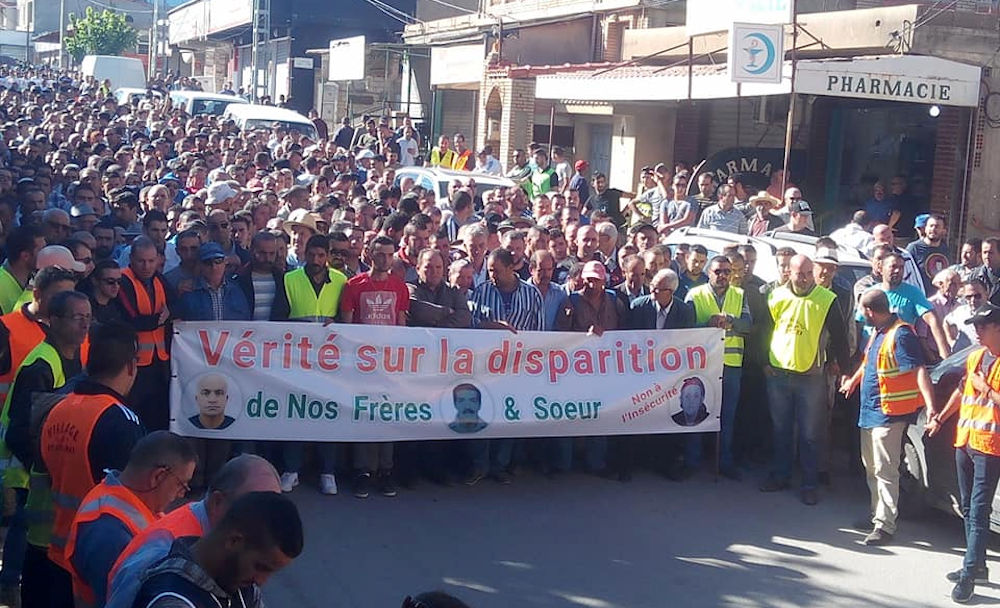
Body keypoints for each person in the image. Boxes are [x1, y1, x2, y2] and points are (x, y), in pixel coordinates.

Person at [41, 321, 145, 593]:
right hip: (97, 554)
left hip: (57, 544)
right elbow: (133, 493)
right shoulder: (120, 419)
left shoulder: (60, 408)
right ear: (131, 366)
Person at [106, 455, 281, 608]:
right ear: (217, 502)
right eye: (253, 514)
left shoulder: (230, 553)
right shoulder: (160, 557)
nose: (267, 528)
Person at [9, 290, 90, 608]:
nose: (84, 325)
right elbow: (18, 431)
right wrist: (51, 464)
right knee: (31, 551)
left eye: (88, 317)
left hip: (53, 485)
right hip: (33, 479)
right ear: (53, 321)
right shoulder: (40, 365)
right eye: (76, 317)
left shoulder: (73, 355)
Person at [839, 289, 935, 547]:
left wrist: (931, 407)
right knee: (872, 467)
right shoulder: (879, 332)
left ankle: (885, 525)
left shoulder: (901, 334)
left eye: (863, 311)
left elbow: (919, 372)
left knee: (885, 469)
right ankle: (877, 515)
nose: (861, 316)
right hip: (870, 411)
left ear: (870, 311)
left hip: (889, 414)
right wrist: (854, 381)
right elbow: (869, 361)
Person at [64, 432, 197, 608]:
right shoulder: (109, 531)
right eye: (182, 485)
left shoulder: (130, 499)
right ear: (158, 476)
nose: (181, 494)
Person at [761, 255, 849, 506]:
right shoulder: (775, 295)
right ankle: (781, 476)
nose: (805, 278)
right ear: (789, 272)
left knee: (811, 434)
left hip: (811, 375)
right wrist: (764, 363)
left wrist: (843, 368)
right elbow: (766, 330)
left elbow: (840, 336)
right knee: (781, 430)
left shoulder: (826, 299)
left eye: (809, 273)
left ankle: (809, 484)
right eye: (800, 273)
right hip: (778, 372)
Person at [928, 302, 1000, 603]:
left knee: (980, 513)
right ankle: (978, 564)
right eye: (976, 326)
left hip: (990, 448)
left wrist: (985, 388)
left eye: (982, 326)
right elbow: (961, 390)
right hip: (966, 441)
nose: (977, 331)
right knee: (968, 509)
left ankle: (969, 575)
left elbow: (984, 392)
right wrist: (940, 418)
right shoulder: (975, 357)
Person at [130, 492, 303, 608]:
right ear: (234, 541)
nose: (261, 581)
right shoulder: (172, 600)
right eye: (261, 567)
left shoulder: (240, 582)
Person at [277, 234, 346, 495]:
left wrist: (337, 324)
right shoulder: (290, 279)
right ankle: (291, 469)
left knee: (328, 413)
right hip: (297, 357)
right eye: (312, 255)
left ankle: (327, 471)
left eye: (321, 255)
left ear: (327, 256)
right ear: (304, 254)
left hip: (330, 359)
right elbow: (278, 317)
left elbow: (344, 316)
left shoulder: (340, 280)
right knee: (296, 412)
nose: (316, 260)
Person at [341, 236, 410, 498]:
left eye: (389, 255)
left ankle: (385, 470)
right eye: (380, 254)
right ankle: (362, 471)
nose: (384, 259)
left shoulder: (400, 287)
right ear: (369, 254)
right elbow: (346, 326)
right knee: (362, 414)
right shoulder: (353, 286)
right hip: (361, 362)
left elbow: (401, 323)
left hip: (389, 362)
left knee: (386, 415)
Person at [467, 248, 543, 484]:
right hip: (487, 365)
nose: (492, 275)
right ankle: (480, 465)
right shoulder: (481, 292)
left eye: (497, 271)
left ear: (512, 268)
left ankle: (500, 465)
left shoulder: (532, 294)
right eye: (490, 270)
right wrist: (492, 326)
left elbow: (539, 332)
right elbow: (471, 325)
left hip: (519, 367)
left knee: (509, 415)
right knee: (484, 413)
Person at [555, 261, 626, 476]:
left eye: (596, 279)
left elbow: (625, 331)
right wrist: (581, 332)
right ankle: (563, 464)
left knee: (600, 416)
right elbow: (560, 333)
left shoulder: (614, 301)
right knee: (570, 415)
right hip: (576, 369)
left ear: (603, 281)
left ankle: (596, 463)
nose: (591, 283)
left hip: (605, 368)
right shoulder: (571, 300)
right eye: (588, 278)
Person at [685, 255, 751, 479]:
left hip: (731, 365)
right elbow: (685, 328)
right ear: (708, 272)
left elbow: (749, 326)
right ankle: (692, 461)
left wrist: (731, 320)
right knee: (694, 414)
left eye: (726, 272)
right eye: (717, 272)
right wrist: (707, 324)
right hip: (702, 365)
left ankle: (725, 462)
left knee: (727, 416)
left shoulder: (739, 295)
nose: (722, 276)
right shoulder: (695, 294)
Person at [118, 236, 173, 431]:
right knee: (137, 414)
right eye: (141, 261)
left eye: (151, 261)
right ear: (131, 259)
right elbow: (132, 319)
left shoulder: (159, 280)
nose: (146, 266)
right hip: (135, 363)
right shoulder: (123, 281)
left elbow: (174, 307)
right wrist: (160, 319)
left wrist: (167, 316)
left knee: (159, 413)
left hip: (160, 361)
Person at [177, 243, 251, 322]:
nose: (214, 267)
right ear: (200, 265)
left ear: (225, 262)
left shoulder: (238, 289)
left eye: (218, 261)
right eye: (207, 262)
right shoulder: (188, 291)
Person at [407, 248, 471, 329]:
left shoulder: (453, 290)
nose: (434, 271)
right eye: (429, 267)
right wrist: (447, 311)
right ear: (418, 269)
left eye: (438, 267)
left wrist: (440, 326)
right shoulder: (410, 288)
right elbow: (418, 309)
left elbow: (465, 317)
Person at [906, 213, 951, 291]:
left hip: (939, 297)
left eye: (937, 226)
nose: (933, 229)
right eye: (931, 226)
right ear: (926, 229)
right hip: (918, 294)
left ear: (944, 231)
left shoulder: (945, 249)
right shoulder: (914, 248)